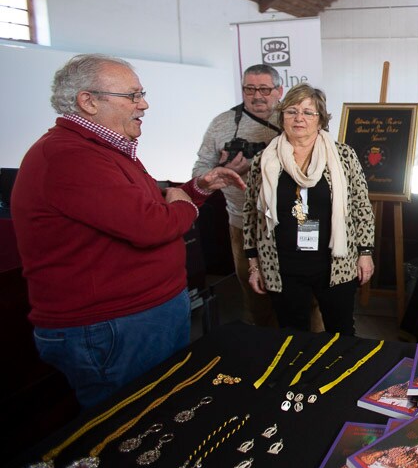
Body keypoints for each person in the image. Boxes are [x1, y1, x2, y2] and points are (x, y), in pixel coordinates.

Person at [11, 54, 244, 408]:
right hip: (113, 328)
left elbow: (146, 207)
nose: (144, 104)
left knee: (161, 411)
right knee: (133, 423)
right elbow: (152, 224)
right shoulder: (70, 157)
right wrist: (183, 204)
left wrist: (196, 190)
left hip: (138, 318)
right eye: (132, 96)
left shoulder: (103, 151)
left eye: (141, 94)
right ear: (88, 101)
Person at [243, 83, 375, 334]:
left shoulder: (343, 156)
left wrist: (365, 253)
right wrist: (253, 265)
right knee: (292, 337)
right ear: (282, 117)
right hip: (282, 266)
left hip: (335, 264)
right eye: (291, 111)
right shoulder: (264, 160)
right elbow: (250, 214)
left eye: (307, 112)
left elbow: (361, 207)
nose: (299, 118)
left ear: (321, 119)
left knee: (342, 333)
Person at [193, 64, 299, 328]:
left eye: (264, 89)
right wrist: (223, 171)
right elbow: (200, 169)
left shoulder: (296, 119)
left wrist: (261, 165)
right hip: (242, 222)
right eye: (249, 89)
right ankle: (260, 348)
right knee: (254, 293)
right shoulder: (222, 123)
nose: (257, 96)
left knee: (302, 293)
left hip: (293, 223)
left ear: (279, 90)